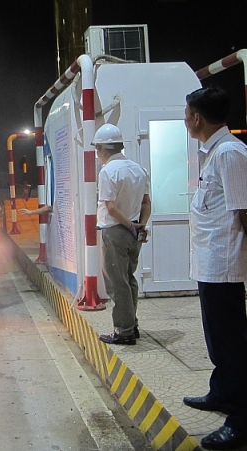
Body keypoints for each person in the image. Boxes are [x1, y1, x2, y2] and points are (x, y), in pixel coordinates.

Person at [181, 86, 247, 450]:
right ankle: (221, 392)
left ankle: (240, 420)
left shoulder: (231, 153)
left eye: (185, 112)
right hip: (209, 264)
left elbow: (245, 210)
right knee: (217, 342)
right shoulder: (213, 152)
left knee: (231, 345)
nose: (184, 118)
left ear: (197, 118)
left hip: (224, 264)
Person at [93, 124, 151, 346]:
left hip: (116, 231)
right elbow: (146, 203)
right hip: (135, 230)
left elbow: (110, 207)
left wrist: (129, 226)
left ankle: (124, 330)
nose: (98, 155)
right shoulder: (138, 169)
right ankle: (132, 324)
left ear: (103, 150)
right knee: (129, 279)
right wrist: (139, 225)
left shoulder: (108, 171)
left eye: (98, 150)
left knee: (117, 282)